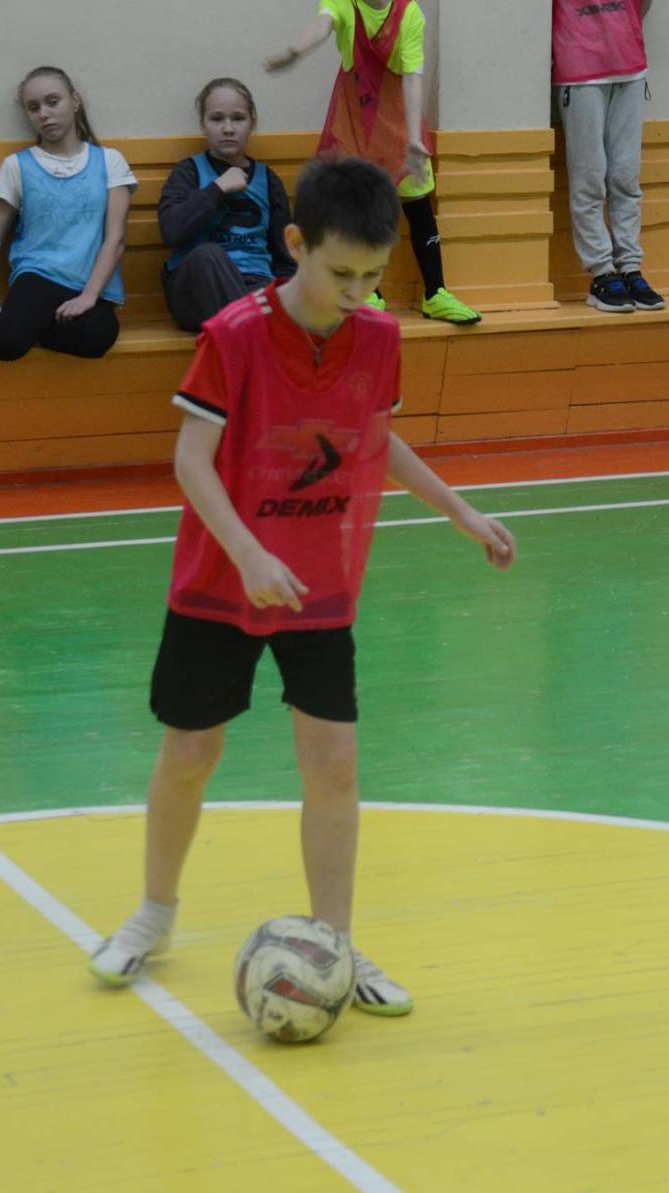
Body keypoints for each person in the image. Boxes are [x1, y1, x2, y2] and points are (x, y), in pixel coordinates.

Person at [89, 157, 517, 1016]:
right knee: (190, 755)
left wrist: (460, 511)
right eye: (340, 273)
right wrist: (248, 553)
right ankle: (153, 914)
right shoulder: (232, 336)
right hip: (221, 578)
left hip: (321, 581)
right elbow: (191, 460)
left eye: (372, 275)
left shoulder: (380, 337)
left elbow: (374, 438)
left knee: (334, 766)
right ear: (295, 243)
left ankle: (334, 944)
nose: (357, 292)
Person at [266, 0, 483, 324]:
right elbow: (324, 23)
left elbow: (412, 77)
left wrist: (413, 139)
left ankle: (436, 293)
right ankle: (370, 295)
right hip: (355, 122)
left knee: (418, 205)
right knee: (358, 208)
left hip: (398, 125)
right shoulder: (344, 4)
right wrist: (298, 50)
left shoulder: (409, 14)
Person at [0, 66, 134, 360]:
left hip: (89, 284)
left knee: (98, 338)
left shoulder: (109, 161)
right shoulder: (16, 165)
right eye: (34, 107)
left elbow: (116, 238)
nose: (44, 114)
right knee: (8, 345)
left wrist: (88, 297)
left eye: (53, 102)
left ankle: (25, 326)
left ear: (74, 101)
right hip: (37, 276)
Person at [551, 0, 667, 314]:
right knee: (589, 180)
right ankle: (602, 273)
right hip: (580, 71)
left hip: (630, 66)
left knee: (625, 178)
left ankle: (629, 267)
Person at [159, 78, 297, 333]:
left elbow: (284, 256)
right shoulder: (188, 172)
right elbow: (171, 231)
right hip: (195, 291)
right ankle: (251, 332)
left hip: (255, 285)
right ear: (203, 125)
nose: (228, 128)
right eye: (216, 119)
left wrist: (288, 293)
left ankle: (246, 331)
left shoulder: (268, 180)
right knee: (208, 255)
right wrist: (217, 190)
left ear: (252, 122)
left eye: (238, 118)